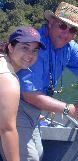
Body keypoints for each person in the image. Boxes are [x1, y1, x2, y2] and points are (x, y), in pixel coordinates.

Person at [16, 2, 78, 161]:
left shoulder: (69, 46)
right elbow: (29, 95)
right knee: (30, 158)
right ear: (51, 22)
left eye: (72, 29)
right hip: (16, 106)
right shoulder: (35, 46)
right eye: (63, 26)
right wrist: (69, 109)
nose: (67, 33)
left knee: (39, 154)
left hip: (35, 110)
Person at [0, 26, 45, 161]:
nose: (30, 55)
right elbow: (7, 130)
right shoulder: (8, 80)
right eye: (24, 47)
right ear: (11, 47)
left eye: (34, 50)